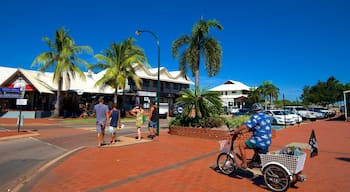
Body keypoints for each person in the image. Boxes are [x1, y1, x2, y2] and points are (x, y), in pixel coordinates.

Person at [231, 103, 272, 169]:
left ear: (254, 110)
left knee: (241, 145)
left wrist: (236, 131)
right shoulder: (266, 116)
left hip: (259, 140)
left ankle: (244, 164)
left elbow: (246, 125)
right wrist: (242, 132)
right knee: (254, 145)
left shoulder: (255, 117)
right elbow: (253, 128)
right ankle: (256, 161)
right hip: (267, 140)